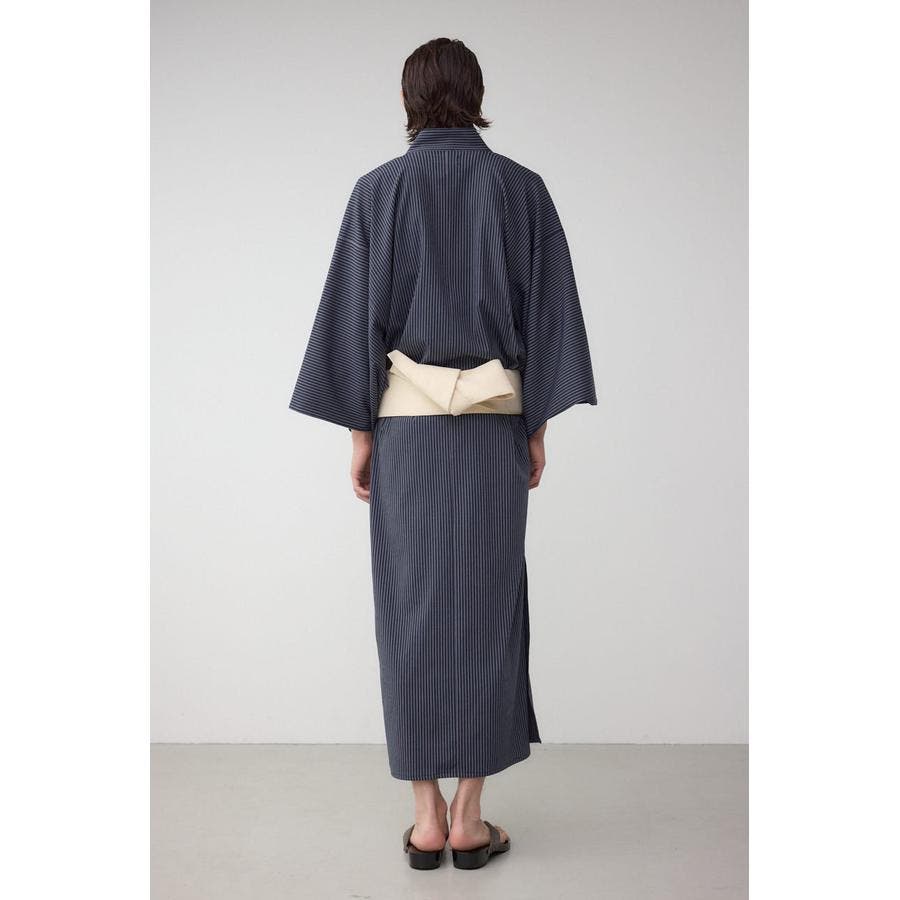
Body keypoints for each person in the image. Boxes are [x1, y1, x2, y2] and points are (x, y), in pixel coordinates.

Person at [289, 37, 597, 870]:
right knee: (489, 614)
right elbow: (549, 319)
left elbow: (353, 319)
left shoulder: (377, 192)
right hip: (493, 438)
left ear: (408, 100)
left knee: (411, 616)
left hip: (409, 439)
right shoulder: (522, 190)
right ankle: (470, 817)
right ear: (477, 95)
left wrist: (362, 434)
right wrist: (535, 430)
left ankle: (425, 819)